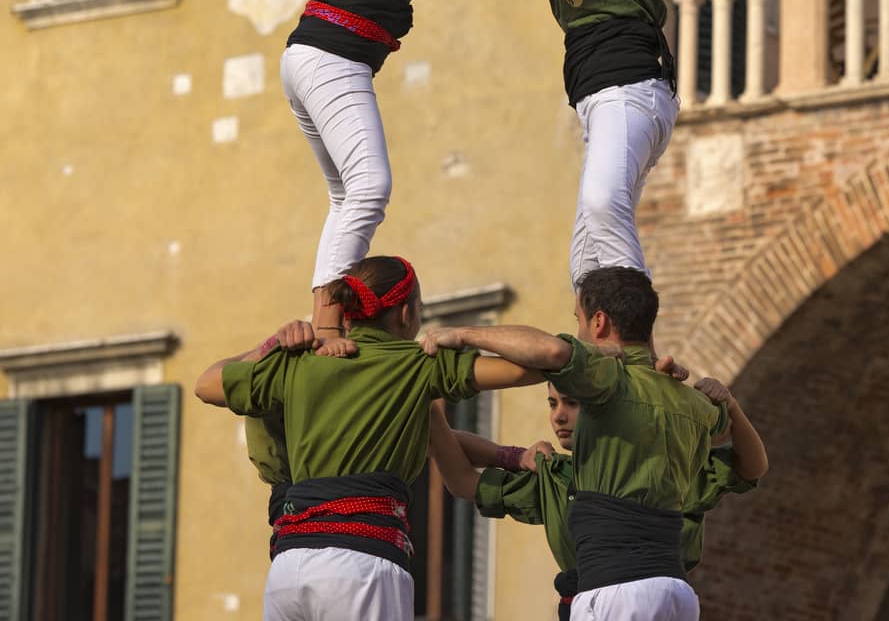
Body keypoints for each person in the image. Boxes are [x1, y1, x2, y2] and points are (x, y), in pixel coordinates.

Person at [282, 0, 552, 337]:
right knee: (369, 187)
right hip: (332, 57)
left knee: (346, 195)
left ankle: (320, 315)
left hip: (311, 55)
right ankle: (324, 326)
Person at [195, 255, 546, 621]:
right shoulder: (417, 365)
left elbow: (206, 384)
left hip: (289, 569)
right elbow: (539, 362)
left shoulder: (299, 362)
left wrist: (272, 345)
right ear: (406, 314)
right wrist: (465, 333)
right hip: (360, 565)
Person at [419, 266, 766, 621]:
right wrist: (731, 406)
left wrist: (461, 334)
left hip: (616, 591)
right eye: (553, 403)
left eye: (579, 321)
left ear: (598, 323)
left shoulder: (605, 380)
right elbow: (752, 467)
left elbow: (552, 352)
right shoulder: (690, 403)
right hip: (676, 593)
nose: (578, 333)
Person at [429, 0, 677, 286]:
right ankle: (599, 344)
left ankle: (637, 343)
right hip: (602, 98)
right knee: (586, 257)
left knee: (603, 206)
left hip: (628, 88)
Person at [431, 375, 766, 618]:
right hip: (585, 607)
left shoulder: (665, 463)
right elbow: (462, 479)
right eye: (552, 403)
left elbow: (752, 467)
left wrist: (732, 408)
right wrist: (512, 456)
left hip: (657, 602)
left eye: (572, 404)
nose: (558, 416)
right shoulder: (558, 475)